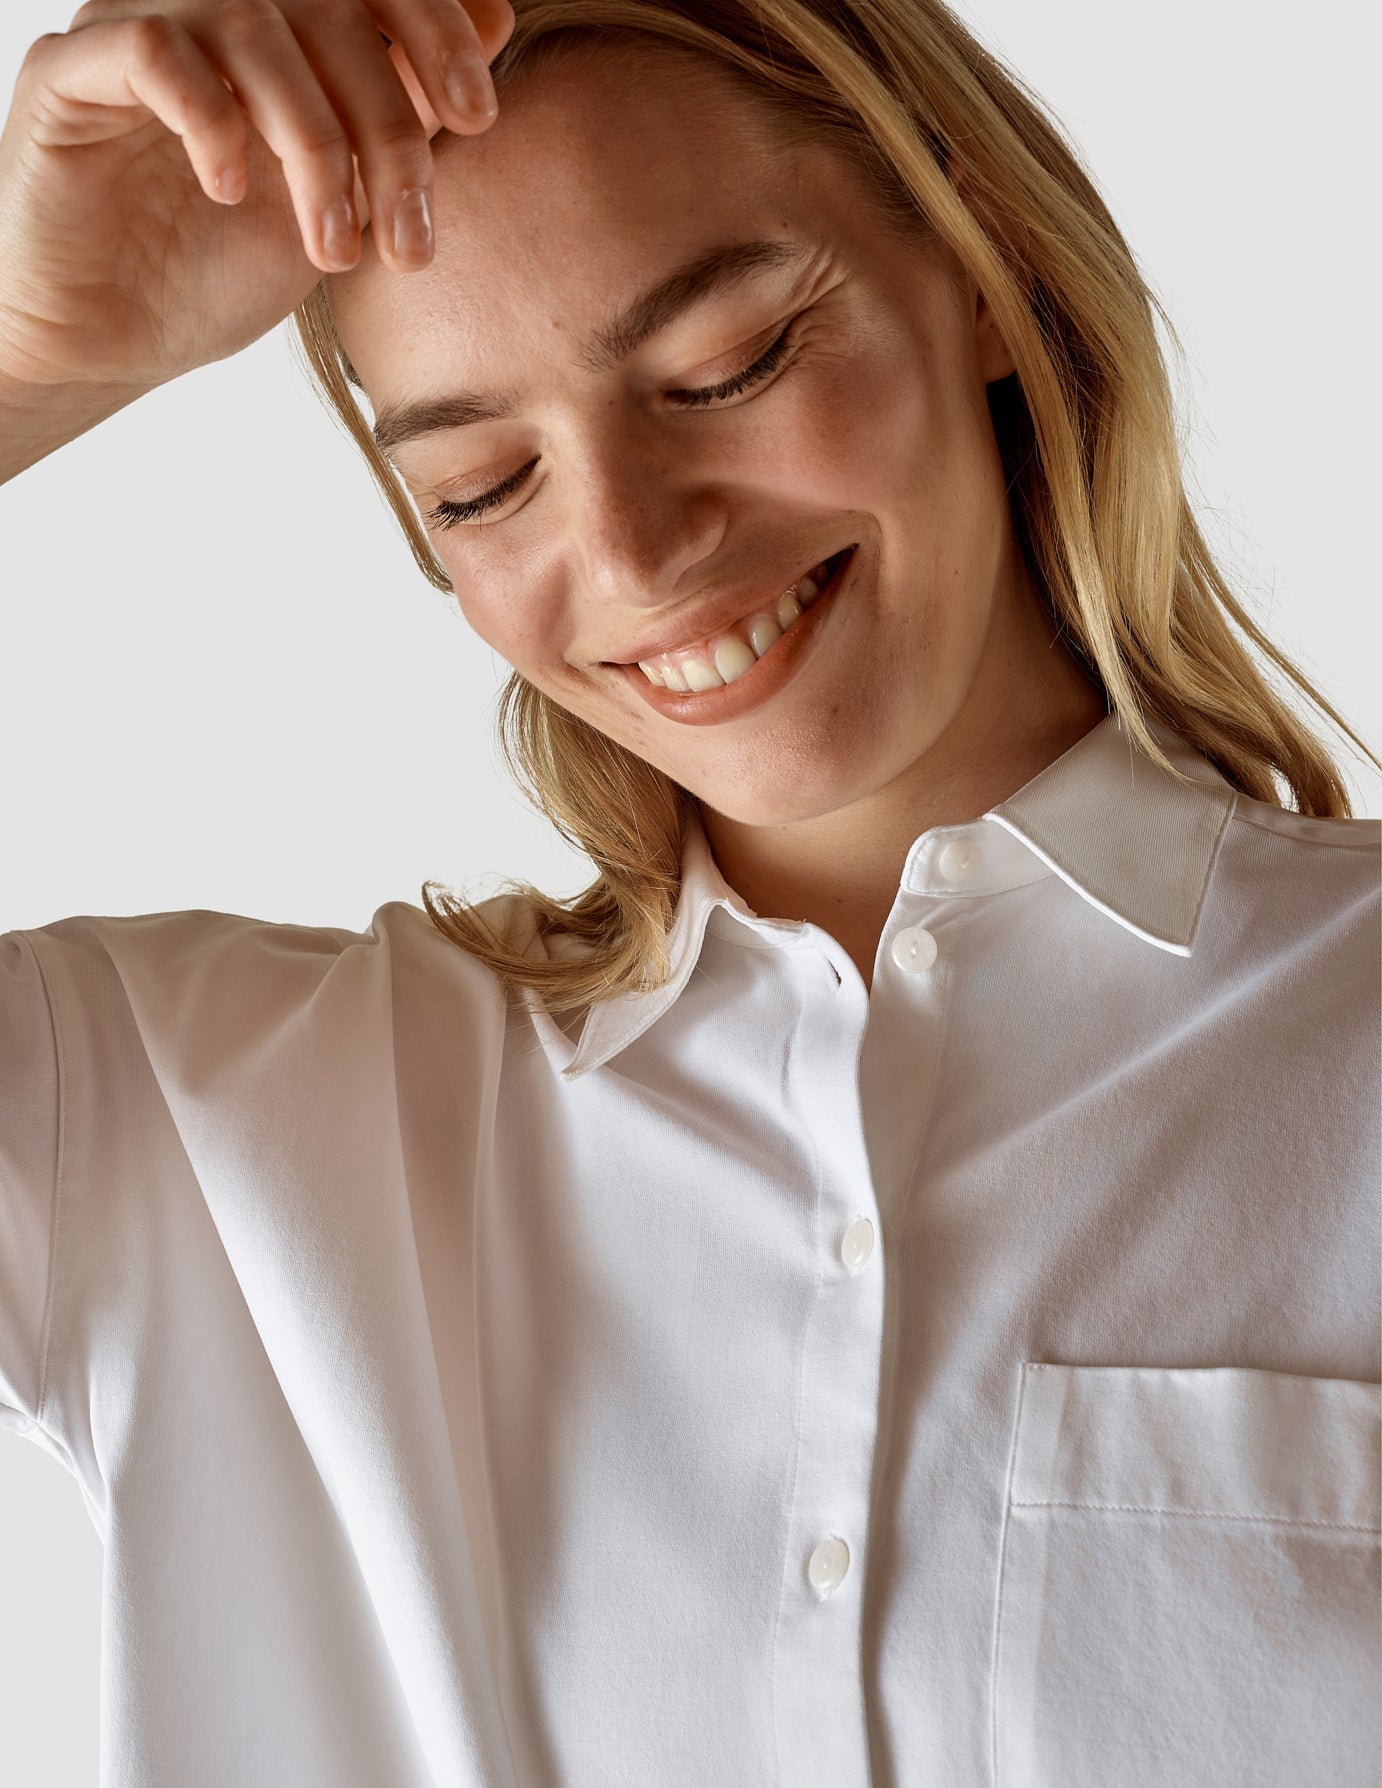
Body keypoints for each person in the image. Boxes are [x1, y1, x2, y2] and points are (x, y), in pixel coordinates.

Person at [0, 1, 1377, 1783]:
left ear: (984, 268)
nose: (639, 551)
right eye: (482, 483)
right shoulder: (193, 1131)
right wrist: (21, 363)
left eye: (727, 365)